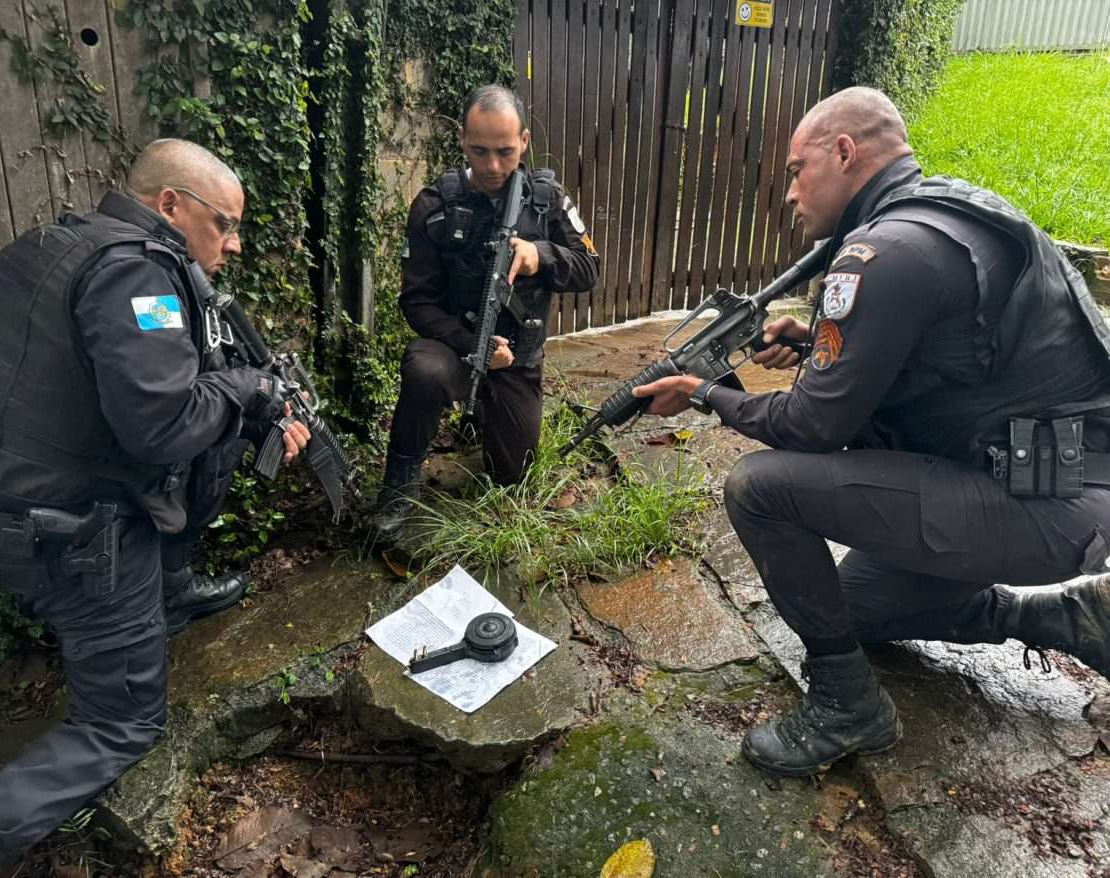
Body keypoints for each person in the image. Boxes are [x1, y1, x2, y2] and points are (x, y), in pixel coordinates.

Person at [633, 87, 1110, 778]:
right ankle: (1059, 617)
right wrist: (820, 344)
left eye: (798, 170)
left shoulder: (884, 251)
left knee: (761, 488)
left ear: (845, 152)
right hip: (1043, 479)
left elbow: (812, 427)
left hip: (1045, 503)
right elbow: (940, 367)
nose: (791, 193)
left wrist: (703, 393)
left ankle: (846, 708)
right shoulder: (947, 213)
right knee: (848, 613)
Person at [0, 138, 309, 874]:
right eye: (224, 225)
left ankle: (166, 593)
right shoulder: (138, 276)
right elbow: (161, 426)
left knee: (222, 433)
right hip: (76, 542)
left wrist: (241, 400)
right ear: (171, 205)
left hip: (11, 500)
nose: (232, 246)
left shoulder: (55, 241)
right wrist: (246, 390)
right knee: (123, 725)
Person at [369, 85, 600, 543]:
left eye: (505, 152)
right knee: (422, 367)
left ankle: (486, 419)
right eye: (479, 151)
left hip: (518, 360)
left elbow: (589, 267)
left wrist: (541, 255)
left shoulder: (547, 198)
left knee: (514, 476)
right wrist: (467, 345)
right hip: (458, 348)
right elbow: (416, 302)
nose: (493, 166)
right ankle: (399, 483)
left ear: (525, 142)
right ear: (461, 140)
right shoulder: (435, 206)